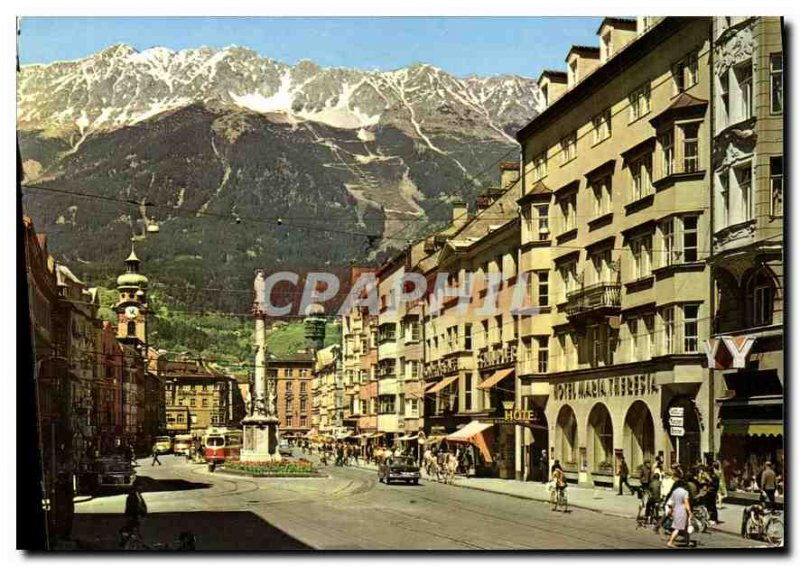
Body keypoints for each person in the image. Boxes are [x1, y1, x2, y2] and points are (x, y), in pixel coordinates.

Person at [666, 473, 693, 548]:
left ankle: (687, 542)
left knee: (685, 527)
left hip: (676, 510)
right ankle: (670, 542)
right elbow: (686, 503)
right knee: (677, 528)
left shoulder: (675, 491)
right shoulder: (685, 492)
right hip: (682, 511)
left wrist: (671, 511)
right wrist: (690, 512)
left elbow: (672, 503)